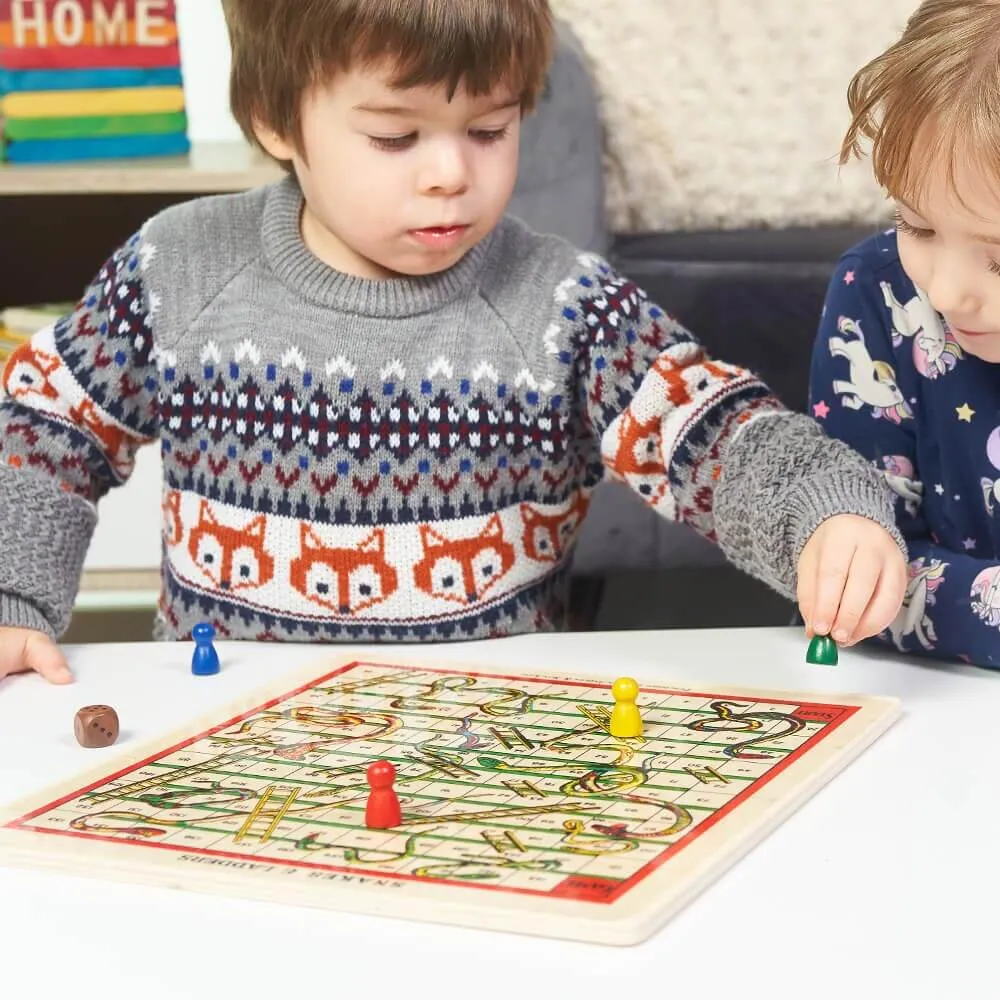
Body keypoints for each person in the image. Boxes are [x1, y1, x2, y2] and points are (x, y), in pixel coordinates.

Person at [0, 0, 905, 685]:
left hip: (482, 753)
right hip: (224, 731)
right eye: (395, 137)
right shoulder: (179, 267)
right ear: (278, 122)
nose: (451, 175)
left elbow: (714, 433)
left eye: (489, 129)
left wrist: (826, 509)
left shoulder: (563, 306)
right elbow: (43, 429)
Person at [810, 0, 1000, 667]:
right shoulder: (878, 294)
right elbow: (861, 574)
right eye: (917, 226)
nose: (946, 293)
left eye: (999, 256)